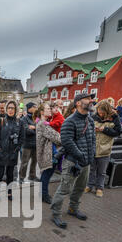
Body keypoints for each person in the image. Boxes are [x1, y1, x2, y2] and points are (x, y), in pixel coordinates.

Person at [50, 93, 96, 229]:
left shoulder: (90, 120)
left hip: (86, 162)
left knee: (80, 188)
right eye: (87, 99)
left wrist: (91, 153)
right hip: (72, 162)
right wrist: (80, 154)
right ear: (78, 103)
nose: (91, 101)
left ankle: (73, 208)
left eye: (91, 99)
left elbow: (93, 139)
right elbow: (67, 142)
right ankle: (55, 214)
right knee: (64, 189)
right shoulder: (69, 121)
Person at [85, 100, 122, 197]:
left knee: (102, 171)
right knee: (92, 169)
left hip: (105, 149)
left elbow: (118, 132)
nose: (100, 114)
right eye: (98, 112)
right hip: (93, 147)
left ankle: (100, 188)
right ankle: (89, 185)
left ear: (107, 111)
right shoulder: (93, 117)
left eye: (102, 112)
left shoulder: (115, 117)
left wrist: (104, 129)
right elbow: (86, 129)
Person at [0, 101, 23, 201]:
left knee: (10, 175)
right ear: (6, 109)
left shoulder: (19, 122)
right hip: (1, 152)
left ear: (15, 109)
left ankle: (9, 193)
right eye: (9, 107)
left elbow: (22, 137)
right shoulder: (0, 121)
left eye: (12, 108)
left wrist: (17, 148)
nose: (10, 110)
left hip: (12, 153)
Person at [36, 103, 61, 204]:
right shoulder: (43, 124)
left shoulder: (45, 123)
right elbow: (57, 138)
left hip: (49, 153)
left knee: (46, 174)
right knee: (46, 175)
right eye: (47, 109)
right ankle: (44, 195)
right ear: (42, 112)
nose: (50, 110)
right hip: (47, 154)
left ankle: (42, 193)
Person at [19, 102, 39, 184]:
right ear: (29, 108)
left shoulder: (37, 118)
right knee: (24, 162)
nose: (36, 108)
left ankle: (32, 175)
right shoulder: (24, 119)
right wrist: (35, 129)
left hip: (36, 144)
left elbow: (41, 129)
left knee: (34, 162)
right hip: (26, 145)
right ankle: (21, 177)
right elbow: (26, 131)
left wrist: (34, 128)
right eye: (34, 107)